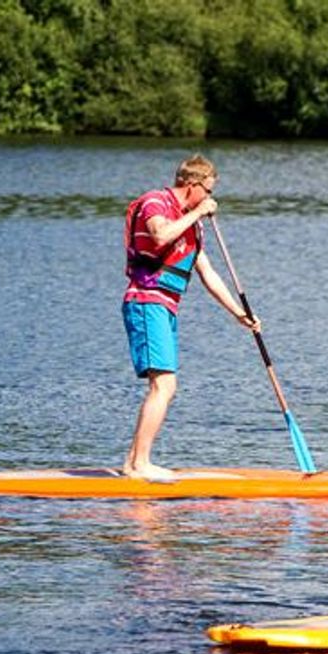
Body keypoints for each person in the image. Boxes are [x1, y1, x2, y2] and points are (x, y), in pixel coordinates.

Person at [121, 154, 260, 482]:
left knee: (166, 386)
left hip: (166, 306)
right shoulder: (156, 203)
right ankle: (139, 465)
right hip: (146, 300)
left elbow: (206, 271)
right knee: (164, 385)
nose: (211, 199)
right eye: (208, 191)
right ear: (192, 185)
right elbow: (159, 236)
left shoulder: (192, 223)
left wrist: (239, 314)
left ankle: (134, 463)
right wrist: (198, 211)